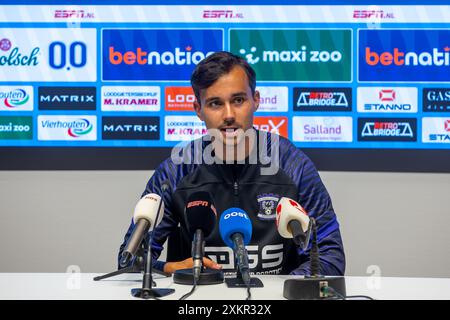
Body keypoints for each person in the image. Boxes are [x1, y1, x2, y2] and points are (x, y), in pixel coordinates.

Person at [118, 51, 345, 276]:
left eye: (238, 100)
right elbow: (129, 260)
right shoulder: (177, 170)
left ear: (255, 100)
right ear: (198, 110)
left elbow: (329, 256)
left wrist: (280, 291)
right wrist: (169, 269)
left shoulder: (293, 166)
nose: (229, 115)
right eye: (215, 103)